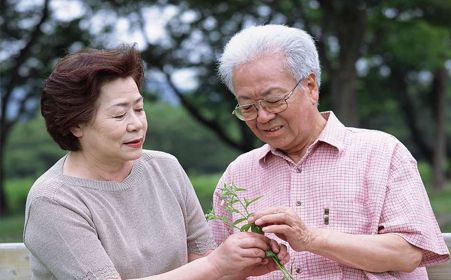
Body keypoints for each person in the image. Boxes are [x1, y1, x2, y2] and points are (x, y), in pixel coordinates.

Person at [23, 45, 289, 279]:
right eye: (119, 115)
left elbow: (200, 261)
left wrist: (236, 269)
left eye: (139, 109)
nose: (137, 124)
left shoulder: (166, 168)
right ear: (75, 125)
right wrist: (217, 266)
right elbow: (209, 266)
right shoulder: (53, 200)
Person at [209, 24, 450, 279]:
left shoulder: (381, 153)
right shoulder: (238, 174)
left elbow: (409, 253)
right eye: (248, 107)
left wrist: (311, 238)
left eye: (274, 100)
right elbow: (214, 265)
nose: (263, 116)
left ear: (311, 87)